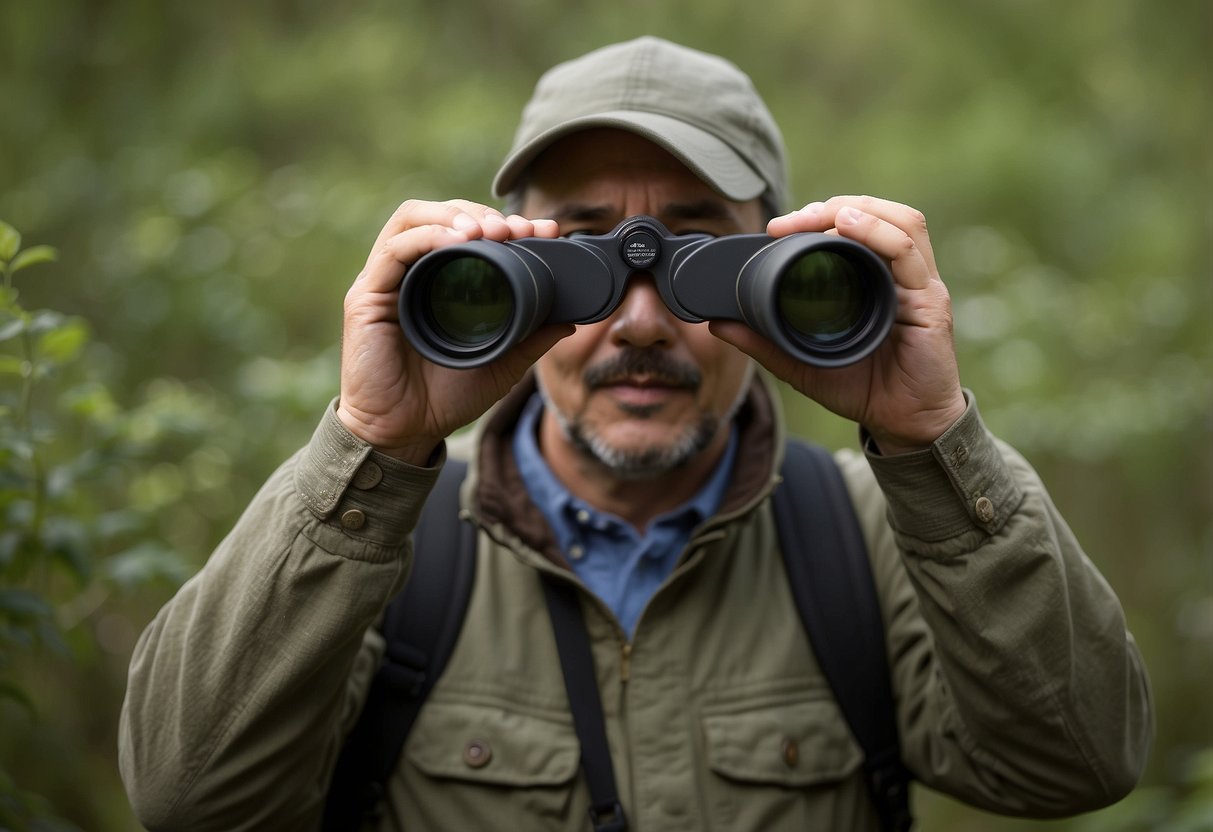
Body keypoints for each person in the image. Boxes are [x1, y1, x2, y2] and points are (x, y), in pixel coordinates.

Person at [119, 36, 1153, 831]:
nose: (641, 319)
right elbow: (188, 796)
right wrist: (370, 446)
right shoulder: (386, 550)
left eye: (701, 250)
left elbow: (1076, 761)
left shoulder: (871, 537)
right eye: (580, 249)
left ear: (783, 259)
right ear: (503, 255)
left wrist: (934, 438)